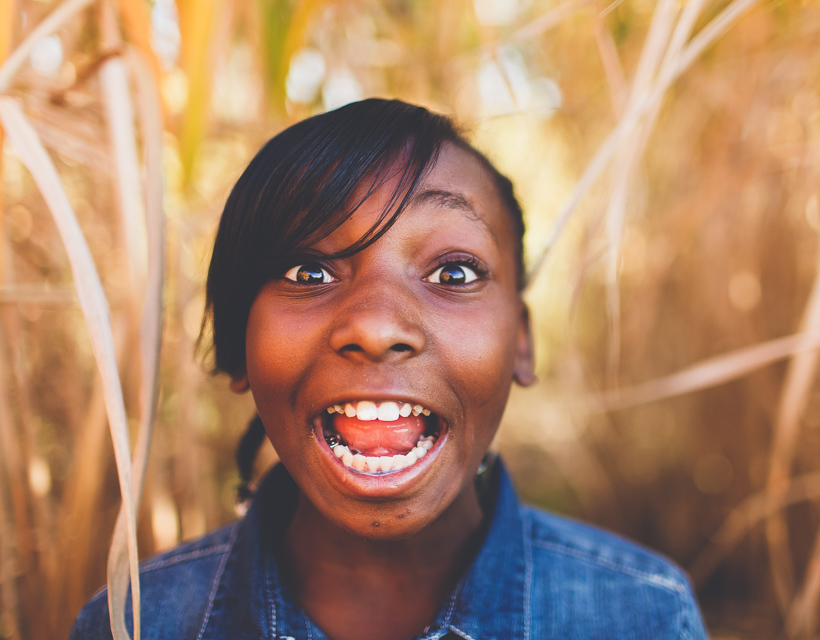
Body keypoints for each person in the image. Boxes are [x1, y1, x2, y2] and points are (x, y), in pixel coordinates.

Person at [69, 99, 709, 640]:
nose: (376, 328)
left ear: (521, 341)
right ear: (239, 343)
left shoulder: (644, 614)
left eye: (453, 272)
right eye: (308, 271)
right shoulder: (134, 623)